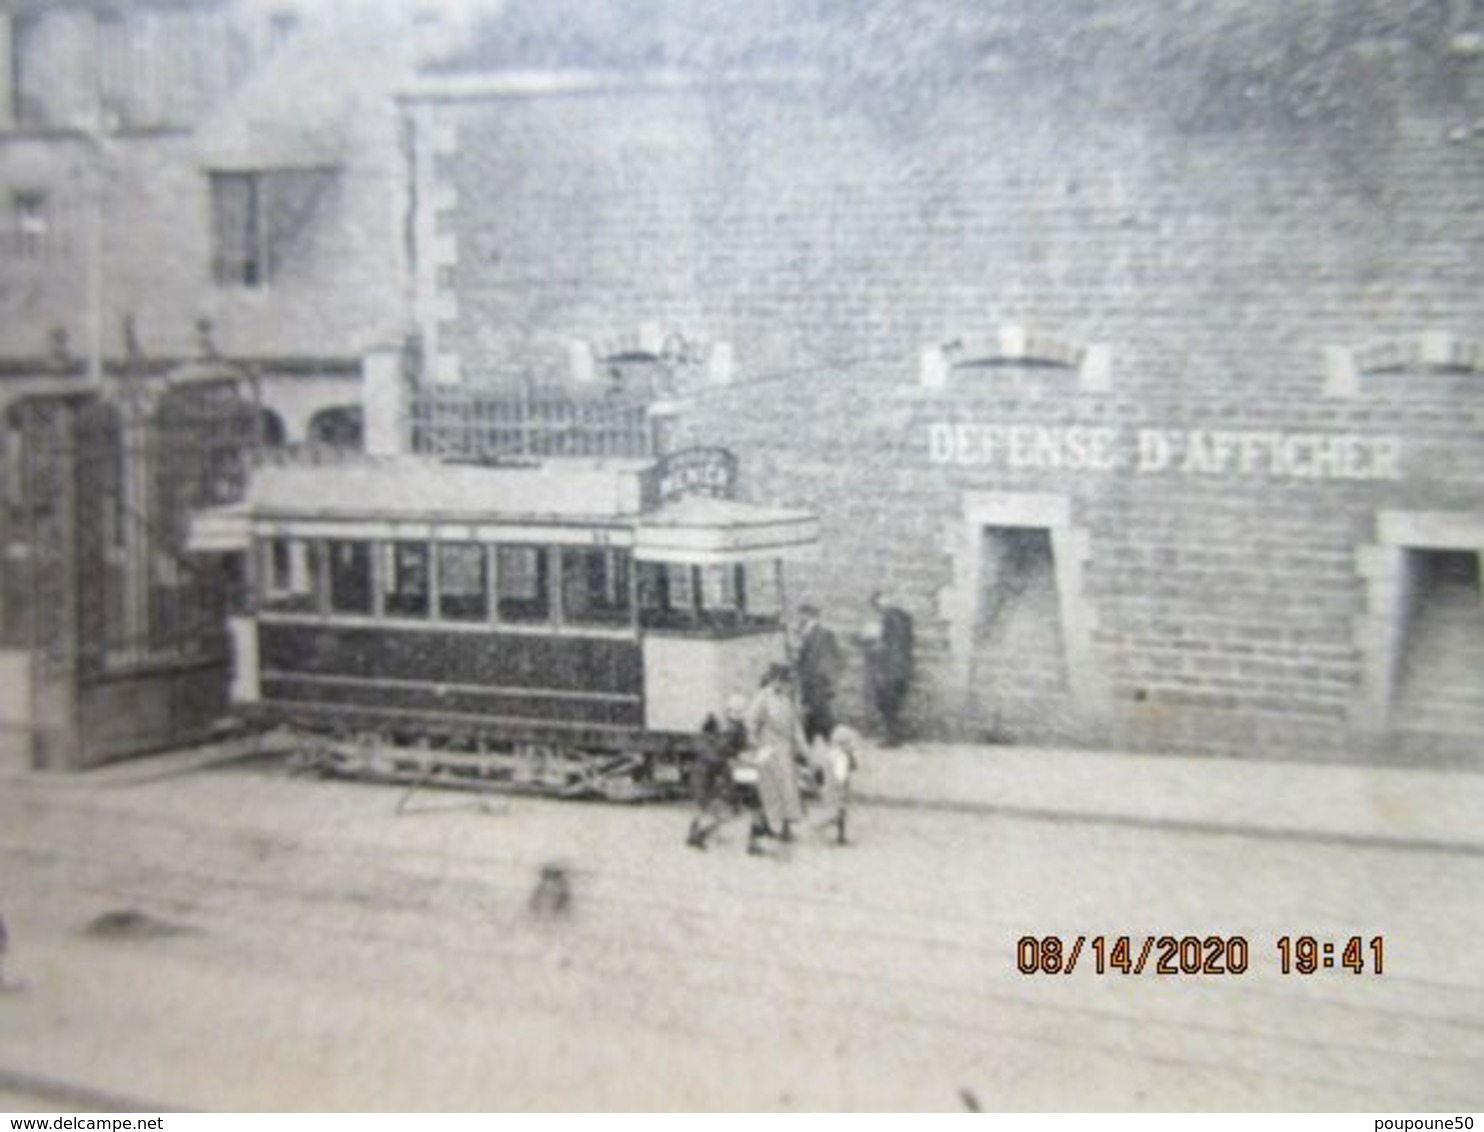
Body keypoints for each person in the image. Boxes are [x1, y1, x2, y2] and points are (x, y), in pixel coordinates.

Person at [744, 664, 808, 854]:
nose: (787, 684)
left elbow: (795, 726)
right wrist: (755, 743)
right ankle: (772, 828)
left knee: (789, 789)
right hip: (768, 749)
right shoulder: (763, 698)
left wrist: (804, 749)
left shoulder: (786, 699)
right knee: (770, 790)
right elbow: (750, 721)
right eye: (784, 680)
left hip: (784, 749)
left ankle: (786, 827)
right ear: (776, 680)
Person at [686, 695, 749, 850]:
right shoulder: (732, 732)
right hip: (712, 773)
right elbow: (723, 753)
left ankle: (698, 833)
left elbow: (723, 752)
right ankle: (698, 834)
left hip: (710, 773)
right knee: (719, 807)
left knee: (712, 807)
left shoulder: (727, 731)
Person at [859, 590, 915, 746]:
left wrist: (874, 644)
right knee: (893, 704)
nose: (879, 607)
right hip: (901, 667)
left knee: (887, 703)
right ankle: (895, 736)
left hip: (891, 668)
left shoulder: (890, 617)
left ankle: (893, 738)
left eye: (879, 603)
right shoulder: (903, 616)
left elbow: (892, 645)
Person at [795, 603, 845, 746]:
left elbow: (832, 659)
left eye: (802, 615)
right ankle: (811, 747)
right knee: (812, 715)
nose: (800, 618)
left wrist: (829, 682)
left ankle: (833, 745)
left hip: (818, 682)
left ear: (809, 616)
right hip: (810, 682)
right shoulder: (805, 633)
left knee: (821, 716)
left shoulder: (824, 634)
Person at [814, 725, 860, 846]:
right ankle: (840, 836)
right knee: (841, 813)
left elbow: (820, 771)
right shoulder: (842, 757)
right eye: (849, 743)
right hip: (839, 789)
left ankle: (833, 830)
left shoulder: (830, 753)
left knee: (836, 812)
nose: (851, 746)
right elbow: (842, 775)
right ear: (844, 743)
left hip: (828, 787)